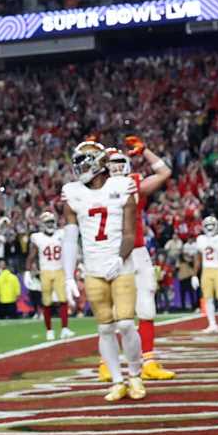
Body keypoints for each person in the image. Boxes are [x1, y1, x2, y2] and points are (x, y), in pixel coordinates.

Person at [61, 140, 146, 402]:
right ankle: (117, 381)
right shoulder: (72, 192)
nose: (79, 168)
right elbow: (70, 236)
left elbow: (130, 233)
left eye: (83, 161)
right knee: (105, 328)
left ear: (98, 162)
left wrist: (120, 259)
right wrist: (67, 275)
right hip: (93, 268)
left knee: (125, 323)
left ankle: (135, 375)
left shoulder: (122, 186)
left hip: (120, 265)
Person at [104, 140, 176, 379]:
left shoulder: (134, 185)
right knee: (113, 311)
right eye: (109, 165)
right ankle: (107, 362)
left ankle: (148, 362)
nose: (114, 169)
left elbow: (164, 172)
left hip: (137, 250)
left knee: (147, 302)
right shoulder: (92, 190)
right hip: (110, 253)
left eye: (118, 164)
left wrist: (146, 151)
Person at [26, 211, 74, 341]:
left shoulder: (61, 234)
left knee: (63, 300)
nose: (50, 224)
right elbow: (32, 255)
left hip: (59, 270)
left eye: (52, 221)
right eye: (47, 222)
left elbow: (70, 250)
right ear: (42, 224)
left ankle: (64, 328)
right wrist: (27, 271)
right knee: (46, 302)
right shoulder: (37, 237)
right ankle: (49, 331)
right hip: (45, 271)